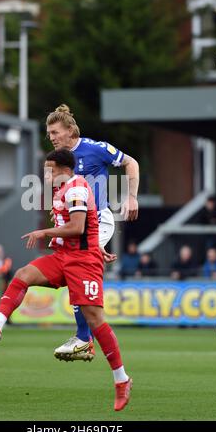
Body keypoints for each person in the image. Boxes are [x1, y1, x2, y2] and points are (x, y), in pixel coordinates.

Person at [0, 149, 133, 412]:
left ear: (64, 169)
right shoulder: (61, 189)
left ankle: (121, 380)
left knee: (95, 319)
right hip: (63, 256)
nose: (45, 174)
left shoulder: (76, 187)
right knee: (23, 274)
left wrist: (45, 232)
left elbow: (78, 227)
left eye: (49, 169)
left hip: (83, 261)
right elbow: (84, 228)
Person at [46, 104, 139, 361]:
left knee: (76, 268)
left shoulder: (96, 149)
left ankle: (84, 338)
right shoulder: (55, 161)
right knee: (71, 271)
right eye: (49, 133)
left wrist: (131, 197)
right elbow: (57, 194)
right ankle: (85, 338)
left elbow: (131, 163)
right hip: (77, 226)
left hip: (99, 219)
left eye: (55, 132)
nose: (51, 137)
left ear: (70, 130)